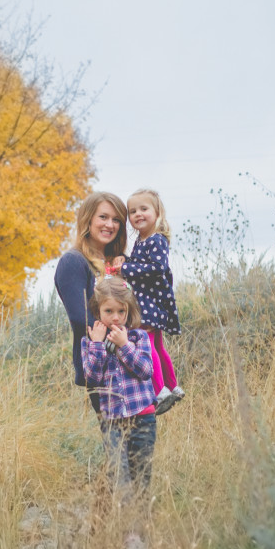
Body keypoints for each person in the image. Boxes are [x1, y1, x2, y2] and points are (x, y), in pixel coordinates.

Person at [81, 276, 157, 500]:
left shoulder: (138, 337)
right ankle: (126, 530)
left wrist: (124, 346)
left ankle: (141, 528)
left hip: (143, 418)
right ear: (97, 311)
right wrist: (97, 344)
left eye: (121, 311)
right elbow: (92, 378)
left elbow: (145, 370)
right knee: (119, 476)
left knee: (141, 476)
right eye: (108, 311)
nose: (115, 317)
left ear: (128, 311)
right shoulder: (90, 341)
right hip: (112, 421)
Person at [110, 188, 184, 415]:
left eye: (144, 209)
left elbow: (157, 267)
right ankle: (173, 387)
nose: (138, 214)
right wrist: (126, 260)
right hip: (147, 302)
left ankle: (160, 390)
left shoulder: (157, 240)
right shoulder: (142, 241)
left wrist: (126, 268)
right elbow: (142, 263)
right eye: (133, 211)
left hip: (151, 303)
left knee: (148, 344)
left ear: (157, 212)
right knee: (158, 346)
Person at [54, 192, 128, 413]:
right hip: (101, 363)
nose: (110, 224)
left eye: (116, 220)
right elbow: (80, 318)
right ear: (88, 219)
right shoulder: (74, 261)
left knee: (141, 437)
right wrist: (119, 336)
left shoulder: (119, 262)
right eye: (103, 217)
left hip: (131, 359)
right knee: (117, 439)